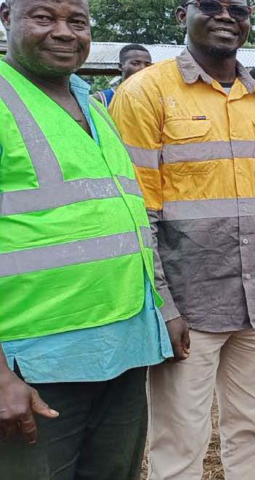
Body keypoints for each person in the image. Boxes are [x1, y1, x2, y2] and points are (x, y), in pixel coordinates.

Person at [110, 0, 255, 478]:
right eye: (210, 5)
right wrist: (163, 306)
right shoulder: (145, 93)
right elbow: (135, 215)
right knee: (179, 445)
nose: (225, 16)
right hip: (188, 309)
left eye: (237, 8)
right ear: (183, 15)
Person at [0, 0, 174, 478]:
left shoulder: (94, 105)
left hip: (122, 352)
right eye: (43, 17)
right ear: (7, 17)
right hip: (33, 366)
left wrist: (162, 311)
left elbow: (126, 222)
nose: (64, 32)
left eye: (77, 22)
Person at [93, 43, 151, 109]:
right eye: (135, 64)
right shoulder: (101, 99)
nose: (143, 68)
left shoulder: (154, 99)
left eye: (148, 65)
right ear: (121, 66)